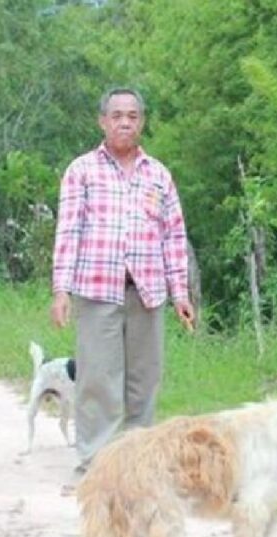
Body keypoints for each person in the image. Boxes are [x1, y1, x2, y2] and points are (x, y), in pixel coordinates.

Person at [50, 87, 194, 473]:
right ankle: (96, 465)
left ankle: (137, 465)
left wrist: (180, 293)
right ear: (103, 121)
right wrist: (60, 290)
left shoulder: (158, 174)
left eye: (132, 115)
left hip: (147, 292)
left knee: (143, 381)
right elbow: (68, 231)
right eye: (117, 115)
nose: (125, 122)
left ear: (142, 122)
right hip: (97, 290)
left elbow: (174, 236)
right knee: (98, 380)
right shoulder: (82, 170)